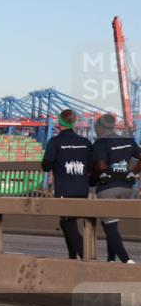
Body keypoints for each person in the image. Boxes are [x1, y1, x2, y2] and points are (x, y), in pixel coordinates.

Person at [41, 109, 92, 259]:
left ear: (58, 123)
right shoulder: (85, 142)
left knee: (67, 223)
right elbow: (90, 166)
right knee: (69, 222)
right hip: (83, 189)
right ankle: (72, 256)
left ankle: (85, 256)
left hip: (64, 189)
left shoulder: (55, 142)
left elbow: (46, 166)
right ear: (74, 122)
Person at [91, 113, 139, 264]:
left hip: (109, 188)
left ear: (100, 127)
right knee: (109, 224)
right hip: (127, 187)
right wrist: (132, 172)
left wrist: (94, 179)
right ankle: (111, 259)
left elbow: (100, 166)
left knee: (110, 226)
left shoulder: (100, 143)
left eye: (95, 127)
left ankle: (127, 260)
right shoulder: (127, 140)